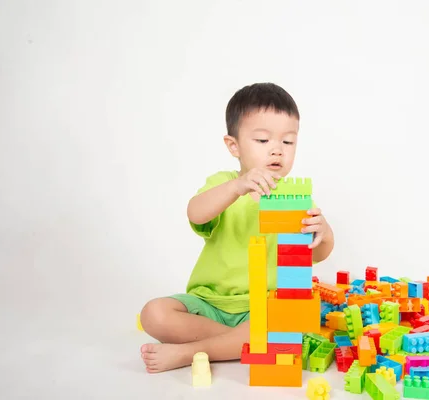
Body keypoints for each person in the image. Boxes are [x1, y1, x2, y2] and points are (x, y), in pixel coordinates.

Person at [139, 82, 335, 373]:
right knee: (153, 314)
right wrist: (237, 187)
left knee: (284, 322)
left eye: (288, 142)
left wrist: (324, 230)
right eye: (262, 140)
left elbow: (318, 253)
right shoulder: (224, 185)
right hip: (210, 304)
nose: (277, 151)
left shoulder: (296, 197)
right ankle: (235, 344)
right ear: (234, 146)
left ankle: (191, 352)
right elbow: (196, 213)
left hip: (263, 309)